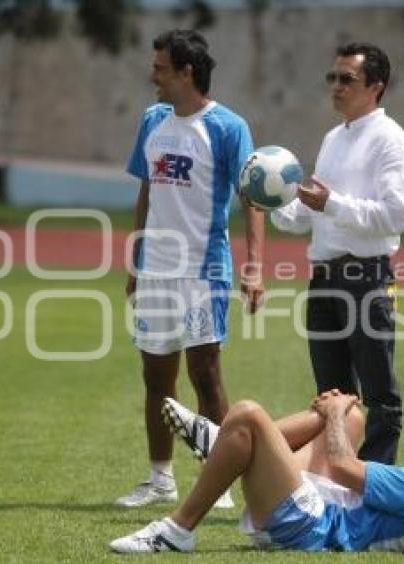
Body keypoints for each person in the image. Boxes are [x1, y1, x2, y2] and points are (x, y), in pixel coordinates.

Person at [117, 29, 265, 509]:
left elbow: (252, 200)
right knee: (156, 376)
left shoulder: (227, 127)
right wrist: (136, 259)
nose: (152, 75)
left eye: (160, 67)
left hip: (203, 271)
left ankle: (216, 479)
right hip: (156, 269)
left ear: (186, 73)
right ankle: (160, 480)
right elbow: (147, 190)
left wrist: (255, 268)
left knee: (205, 374)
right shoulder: (153, 120)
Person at [110, 392, 404, 553]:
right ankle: (221, 442)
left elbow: (345, 468)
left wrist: (330, 412)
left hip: (309, 524)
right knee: (354, 418)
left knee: (246, 414)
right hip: (319, 512)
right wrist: (338, 413)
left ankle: (178, 531)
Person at [271, 42, 404, 464]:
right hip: (323, 279)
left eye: (346, 79)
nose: (335, 86)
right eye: (332, 78)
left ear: (376, 86)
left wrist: (331, 204)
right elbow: (307, 217)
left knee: (379, 394)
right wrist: (271, 198)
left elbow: (397, 215)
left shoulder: (392, 141)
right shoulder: (333, 138)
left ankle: (373, 486)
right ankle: (333, 484)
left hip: (366, 278)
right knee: (331, 396)